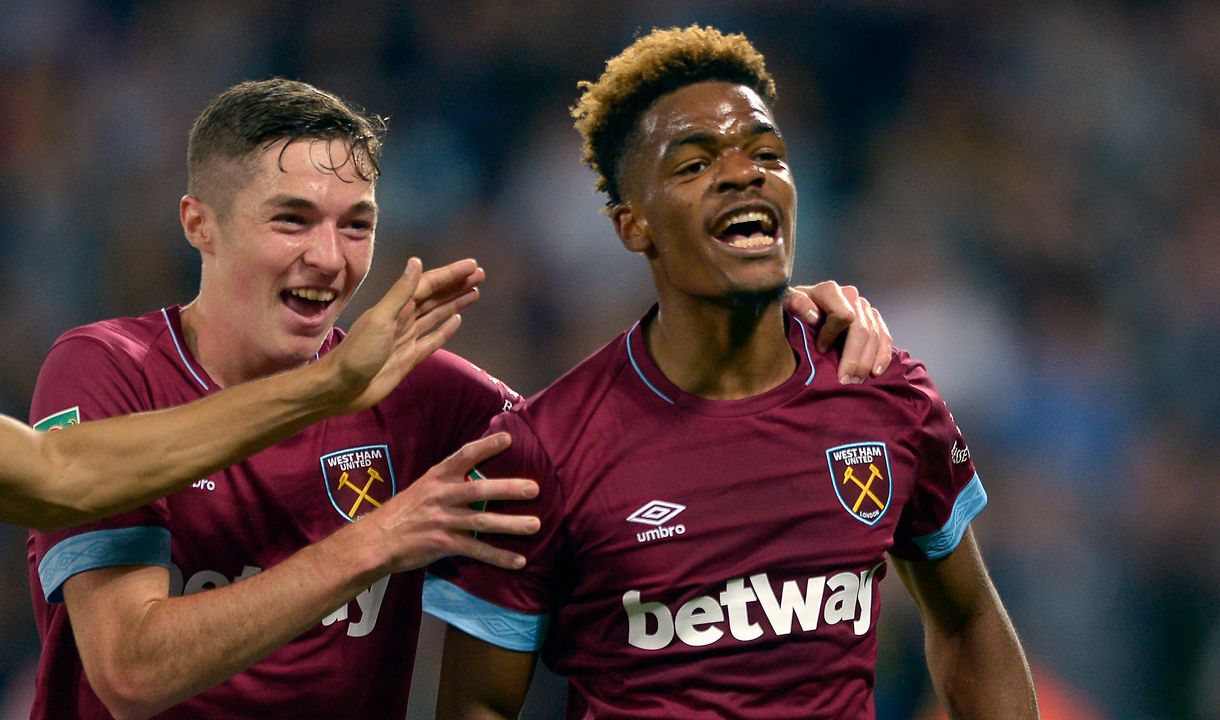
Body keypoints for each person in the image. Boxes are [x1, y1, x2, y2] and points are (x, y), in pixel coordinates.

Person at [25, 78, 890, 720]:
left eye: (355, 223)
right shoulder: (108, 370)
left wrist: (766, 324)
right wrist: (381, 540)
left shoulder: (425, 398)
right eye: (291, 220)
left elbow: (611, 454)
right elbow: (132, 672)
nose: (329, 258)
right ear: (198, 223)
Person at [424, 26, 1039, 720]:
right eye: (693, 165)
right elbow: (477, 704)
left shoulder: (882, 392)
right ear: (634, 225)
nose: (745, 172)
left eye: (768, 154)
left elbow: (968, 623)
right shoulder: (545, 451)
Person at [3, 257, 476, 532]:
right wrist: (376, 543)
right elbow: (61, 483)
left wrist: (329, 383)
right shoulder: (103, 362)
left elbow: (58, 473)